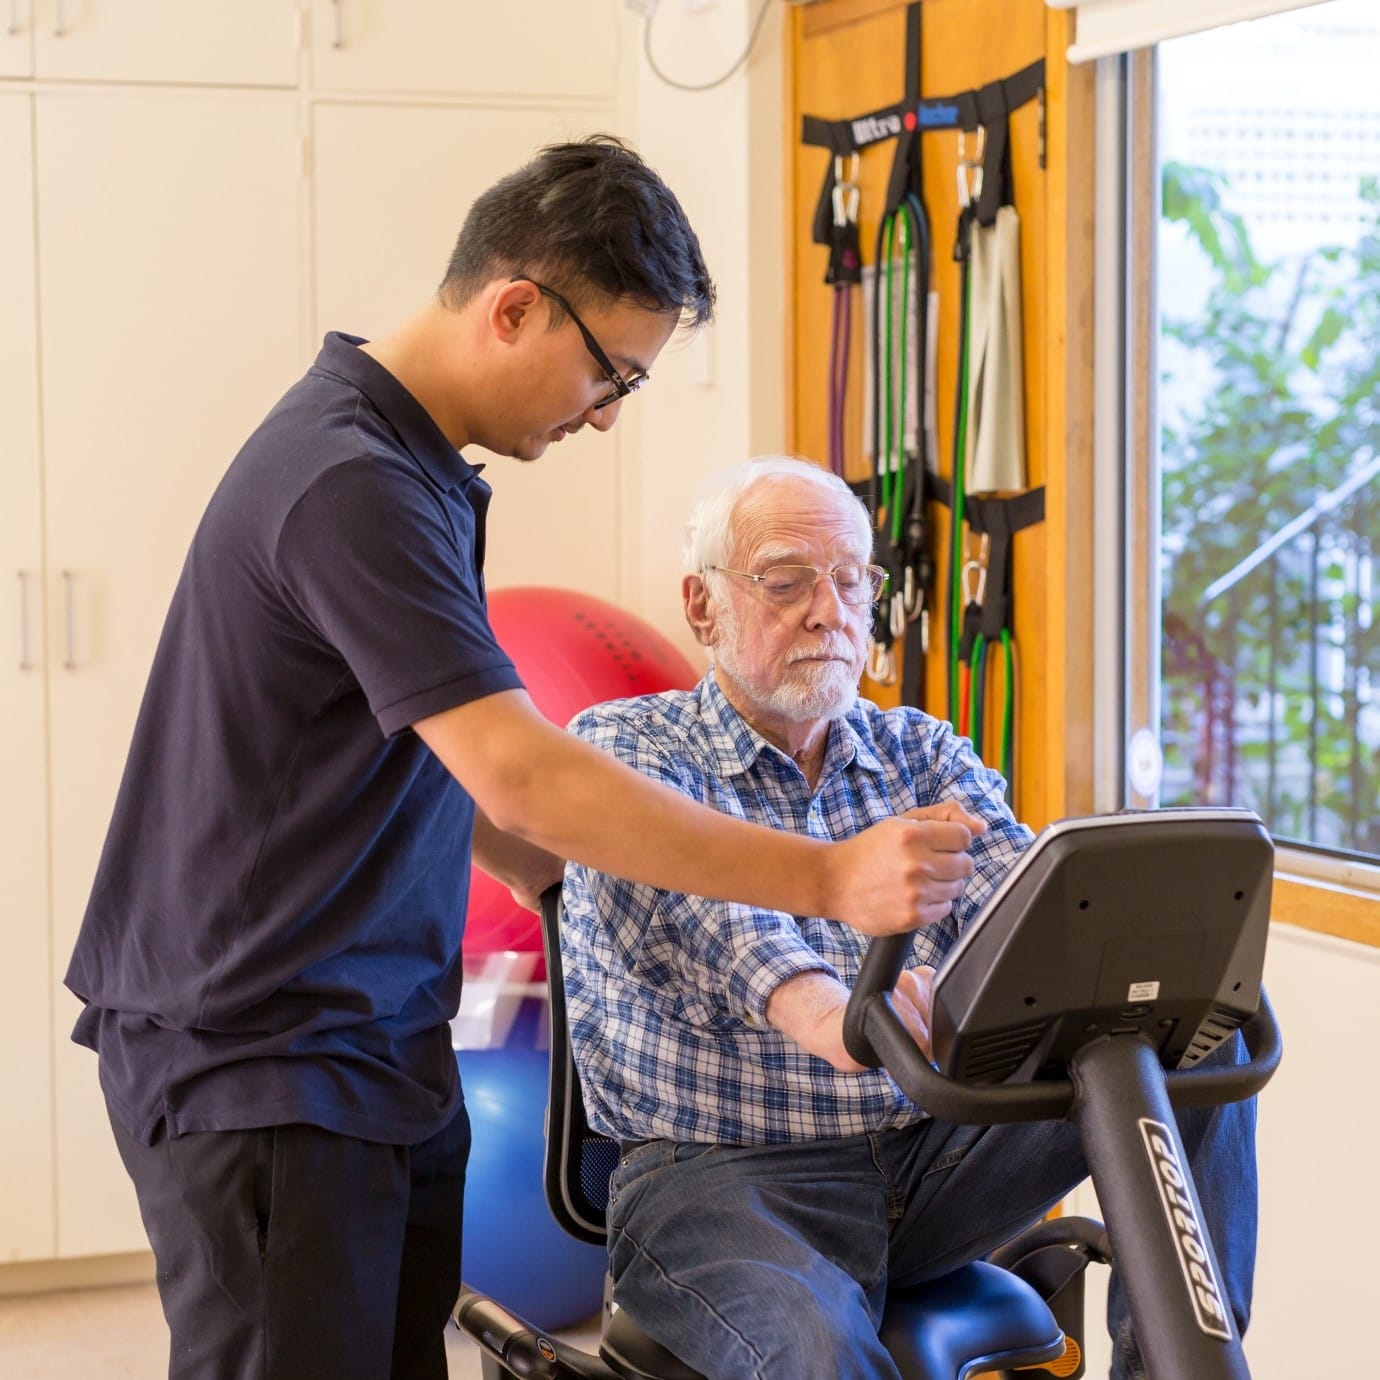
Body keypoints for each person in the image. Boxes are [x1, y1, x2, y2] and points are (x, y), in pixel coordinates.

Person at [64, 141, 976, 1380]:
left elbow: (414, 742)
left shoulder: (417, 471)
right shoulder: (350, 480)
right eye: (610, 376)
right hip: (263, 1045)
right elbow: (522, 769)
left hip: (375, 1027)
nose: (602, 416)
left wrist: (545, 875)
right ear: (514, 308)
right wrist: (826, 881)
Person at [561, 455, 1259, 1380]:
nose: (829, 610)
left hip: (927, 1153)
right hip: (720, 1181)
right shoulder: (624, 749)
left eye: (852, 581)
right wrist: (844, 1011)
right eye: (785, 581)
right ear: (703, 607)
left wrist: (1015, 986)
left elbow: (1029, 905)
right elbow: (726, 923)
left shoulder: (917, 751)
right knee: (817, 1355)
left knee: (1207, 1036)